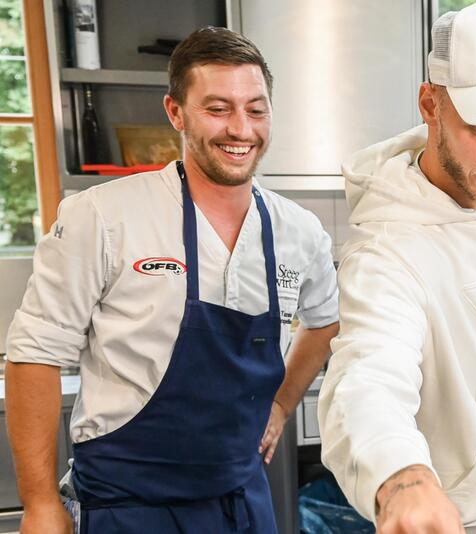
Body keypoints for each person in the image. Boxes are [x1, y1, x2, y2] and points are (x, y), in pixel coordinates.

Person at [4, 27, 340, 533]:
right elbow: (35, 354)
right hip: (129, 506)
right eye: (218, 108)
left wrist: (281, 404)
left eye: (256, 108)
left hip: (243, 501)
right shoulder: (102, 216)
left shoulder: (299, 231)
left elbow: (323, 323)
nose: (241, 129)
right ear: (176, 112)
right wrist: (40, 503)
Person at [317, 2, 476, 531]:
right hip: (443, 512)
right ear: (430, 103)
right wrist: (402, 478)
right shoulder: (388, 244)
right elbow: (369, 374)